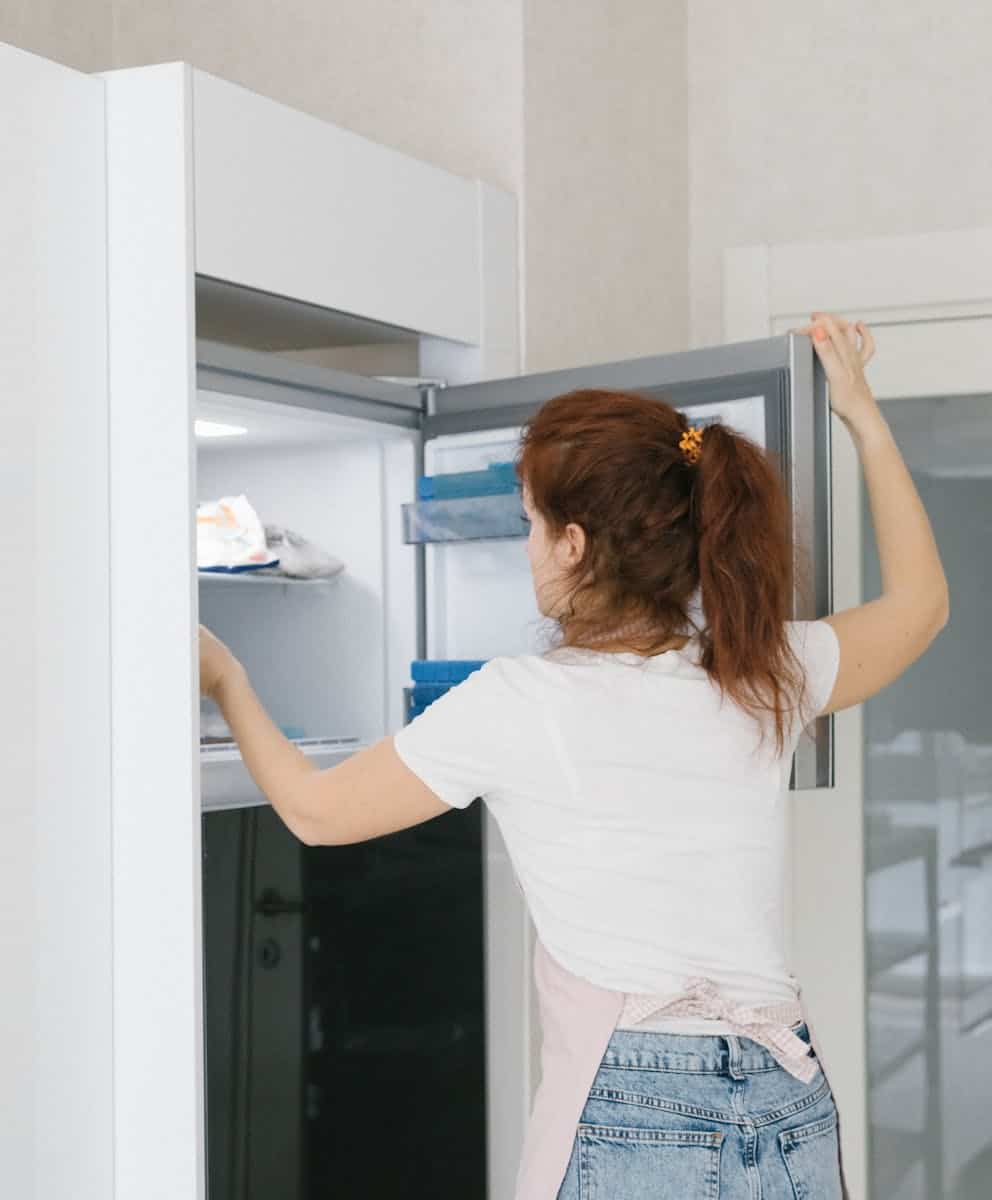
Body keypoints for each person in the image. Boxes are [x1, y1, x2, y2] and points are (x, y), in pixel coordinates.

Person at [199, 312, 949, 1199]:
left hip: (638, 1100)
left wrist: (226, 679)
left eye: (529, 522)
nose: (525, 547)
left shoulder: (523, 699)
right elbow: (921, 605)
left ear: (575, 544)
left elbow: (317, 813)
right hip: (787, 1089)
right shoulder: (759, 668)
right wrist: (861, 413)